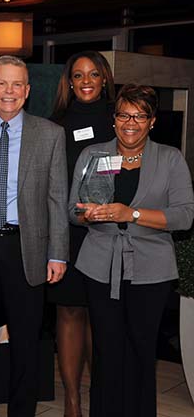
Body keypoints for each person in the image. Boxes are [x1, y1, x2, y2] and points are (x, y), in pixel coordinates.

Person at [69, 84, 194, 417]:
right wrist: (89, 214)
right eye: (124, 114)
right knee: (106, 353)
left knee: (141, 351)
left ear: (152, 121)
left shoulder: (170, 159)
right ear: (114, 119)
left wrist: (132, 214)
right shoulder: (92, 155)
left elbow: (184, 216)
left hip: (151, 271)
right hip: (99, 267)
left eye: (140, 116)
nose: (130, 122)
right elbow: (73, 210)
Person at [0, 55, 69, 417]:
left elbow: (57, 198)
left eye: (17, 84)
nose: (9, 91)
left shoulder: (50, 134)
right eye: (2, 83)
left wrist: (58, 254)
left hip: (28, 249)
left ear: (28, 90)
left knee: (25, 344)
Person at [48, 50, 116, 417]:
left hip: (110, 232)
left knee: (101, 315)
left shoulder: (120, 120)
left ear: (104, 79)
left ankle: (100, 400)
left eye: (93, 74)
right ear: (69, 82)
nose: (86, 81)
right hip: (68, 233)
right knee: (70, 312)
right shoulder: (54, 124)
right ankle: (72, 403)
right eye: (78, 76)